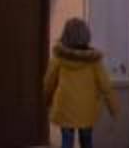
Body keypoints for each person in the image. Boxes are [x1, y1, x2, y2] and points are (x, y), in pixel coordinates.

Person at [43, 17, 118, 148]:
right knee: (86, 140)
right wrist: (114, 108)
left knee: (67, 140)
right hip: (87, 107)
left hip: (64, 105)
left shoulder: (59, 57)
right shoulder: (93, 60)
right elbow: (105, 85)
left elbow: (49, 81)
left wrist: (47, 99)